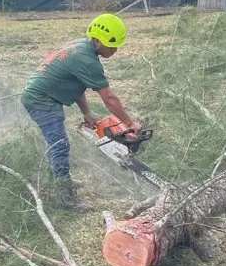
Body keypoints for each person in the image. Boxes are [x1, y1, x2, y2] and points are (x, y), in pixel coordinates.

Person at [22, 13, 142, 212]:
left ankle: (57, 184)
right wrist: (130, 123)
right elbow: (109, 99)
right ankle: (65, 198)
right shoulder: (88, 61)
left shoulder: (82, 48)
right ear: (97, 40)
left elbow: (77, 85)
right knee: (60, 145)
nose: (115, 50)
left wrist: (86, 113)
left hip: (42, 95)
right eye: (111, 46)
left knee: (56, 144)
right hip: (41, 99)